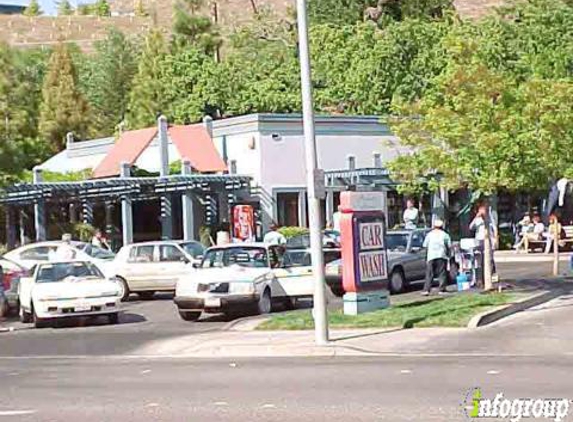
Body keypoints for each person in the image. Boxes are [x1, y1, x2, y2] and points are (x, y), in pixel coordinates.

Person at [422, 219, 451, 296]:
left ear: (434, 226)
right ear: (442, 226)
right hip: (441, 255)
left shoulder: (429, 234)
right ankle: (442, 289)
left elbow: (425, 246)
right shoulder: (445, 235)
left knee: (429, 273)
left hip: (431, 256)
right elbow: (448, 246)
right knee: (442, 273)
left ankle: (426, 290)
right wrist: (448, 254)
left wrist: (426, 257)